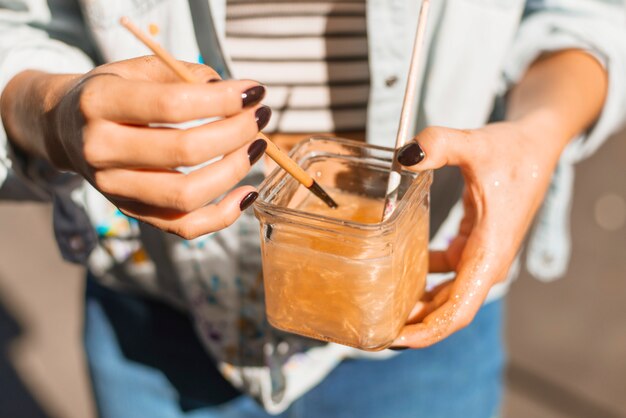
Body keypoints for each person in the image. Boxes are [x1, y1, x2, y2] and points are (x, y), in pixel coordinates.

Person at [1, 1, 624, 417]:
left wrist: (540, 131)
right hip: (162, 319)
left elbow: (588, 17)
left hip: (422, 324)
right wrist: (53, 114)